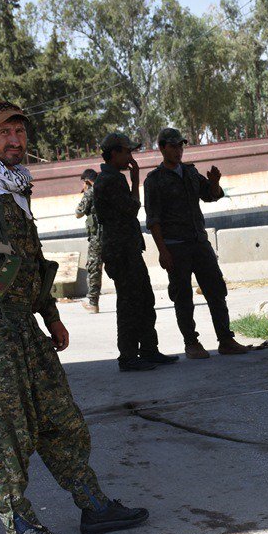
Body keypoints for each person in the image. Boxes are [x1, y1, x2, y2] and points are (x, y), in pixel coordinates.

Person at [0, 101, 148, 534]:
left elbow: (25, 262)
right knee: (5, 430)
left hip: (24, 326)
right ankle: (18, 523)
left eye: (20, 131)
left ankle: (92, 504)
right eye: (4, 131)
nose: (15, 139)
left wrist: (51, 313)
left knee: (61, 418)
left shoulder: (17, 188)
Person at [144, 128, 249, 360]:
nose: (178, 151)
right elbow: (153, 220)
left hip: (199, 242)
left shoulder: (190, 173)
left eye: (181, 146)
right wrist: (163, 251)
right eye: (173, 147)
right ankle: (191, 343)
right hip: (175, 246)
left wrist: (214, 183)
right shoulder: (154, 180)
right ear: (162, 148)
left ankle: (225, 339)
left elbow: (211, 195)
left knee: (216, 290)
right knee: (182, 296)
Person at [93, 132, 178, 372]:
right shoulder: (110, 180)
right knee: (130, 304)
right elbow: (131, 208)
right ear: (114, 153)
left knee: (143, 299)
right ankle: (129, 356)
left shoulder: (111, 178)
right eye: (127, 152)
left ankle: (149, 350)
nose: (130, 157)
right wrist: (135, 181)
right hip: (121, 252)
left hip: (126, 249)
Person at [75, 168, 103, 313]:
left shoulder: (91, 191)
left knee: (94, 268)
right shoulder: (107, 188)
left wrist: (86, 193)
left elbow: (78, 213)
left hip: (97, 238)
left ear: (87, 181)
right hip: (113, 235)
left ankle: (93, 303)